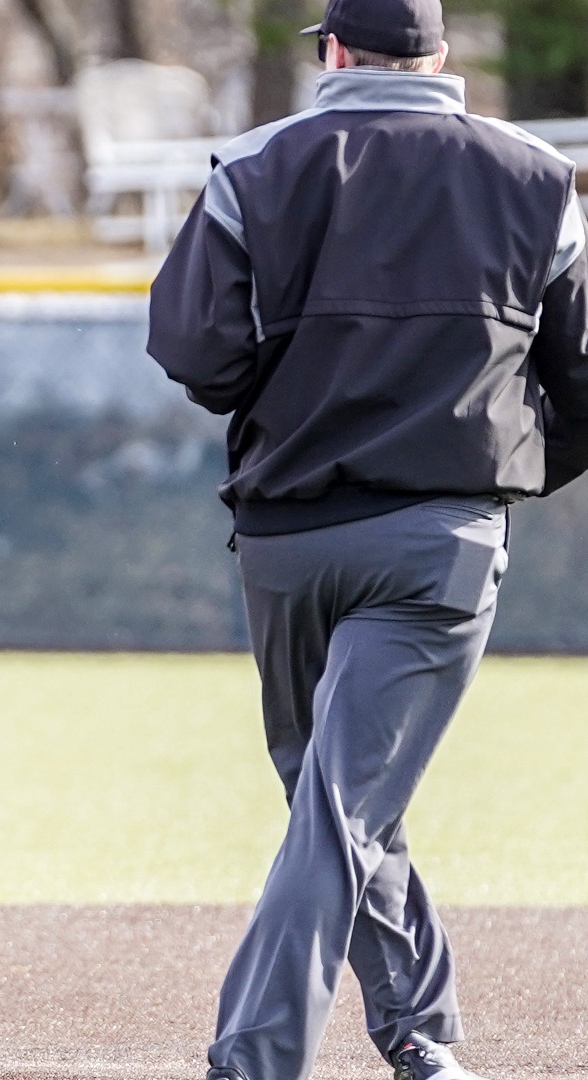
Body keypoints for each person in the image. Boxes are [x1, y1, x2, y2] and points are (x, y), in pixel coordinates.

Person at [146, 0, 588, 1075]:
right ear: (439, 56)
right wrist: (506, 472)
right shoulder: (538, 179)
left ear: (335, 53)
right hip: (440, 542)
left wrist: (294, 397)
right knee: (340, 808)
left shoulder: (255, 165)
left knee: (337, 804)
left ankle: (281, 1054)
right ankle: (417, 1038)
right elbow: (582, 380)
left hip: (288, 541)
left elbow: (193, 352)